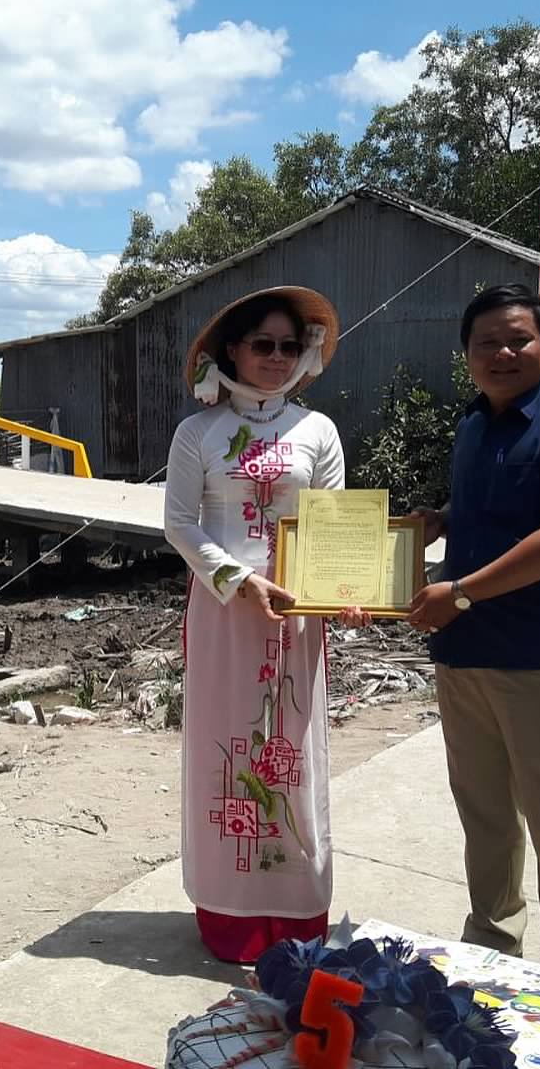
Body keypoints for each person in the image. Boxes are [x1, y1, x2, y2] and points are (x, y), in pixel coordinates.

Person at [407, 283, 540, 973]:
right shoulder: (472, 425)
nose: (502, 353)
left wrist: (461, 592)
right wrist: (441, 520)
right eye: (486, 341)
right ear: (466, 353)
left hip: (536, 655)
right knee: (485, 812)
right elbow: (491, 510)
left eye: (518, 339)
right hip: (463, 652)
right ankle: (493, 942)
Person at [164, 286, 368, 963]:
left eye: (289, 345)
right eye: (263, 344)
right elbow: (180, 524)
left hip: (297, 616)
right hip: (225, 612)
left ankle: (297, 910)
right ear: (232, 350)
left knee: (294, 746)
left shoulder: (319, 431)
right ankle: (229, 913)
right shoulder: (198, 433)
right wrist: (239, 580)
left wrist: (348, 591)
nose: (277, 357)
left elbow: (335, 525)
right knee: (223, 747)